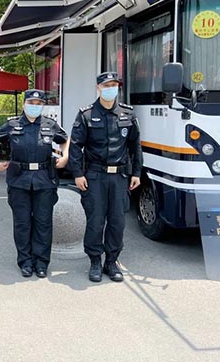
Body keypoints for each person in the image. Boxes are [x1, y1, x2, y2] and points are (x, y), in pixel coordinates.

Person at [68, 72, 143, 283]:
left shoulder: (128, 114)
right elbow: (75, 146)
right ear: (98, 88)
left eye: (114, 85)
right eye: (106, 85)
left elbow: (135, 146)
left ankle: (111, 261)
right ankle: (94, 261)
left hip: (119, 177)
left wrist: (137, 172)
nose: (111, 89)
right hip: (95, 177)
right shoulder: (86, 115)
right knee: (96, 220)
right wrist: (78, 174)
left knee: (117, 222)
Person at [0, 89, 69, 278]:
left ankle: (41, 263)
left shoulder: (50, 124)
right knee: (22, 223)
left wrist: (65, 157)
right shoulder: (12, 124)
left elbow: (65, 140)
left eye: (38, 104)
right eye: (31, 103)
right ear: (24, 104)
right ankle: (25, 261)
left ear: (43, 106)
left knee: (43, 223)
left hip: (45, 179)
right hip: (19, 180)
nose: (35, 106)